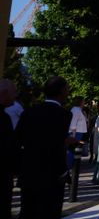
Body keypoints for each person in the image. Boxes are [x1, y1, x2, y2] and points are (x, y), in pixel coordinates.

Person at [16, 76, 74, 219]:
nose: (68, 92)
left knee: (27, 211)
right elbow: (58, 143)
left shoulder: (29, 111)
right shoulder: (64, 114)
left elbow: (18, 139)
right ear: (61, 91)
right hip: (52, 174)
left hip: (29, 172)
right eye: (67, 89)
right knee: (50, 211)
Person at [0, 79, 19, 219]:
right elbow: (8, 147)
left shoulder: (4, 115)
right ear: (5, 93)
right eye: (13, 93)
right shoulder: (3, 118)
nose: (15, 96)